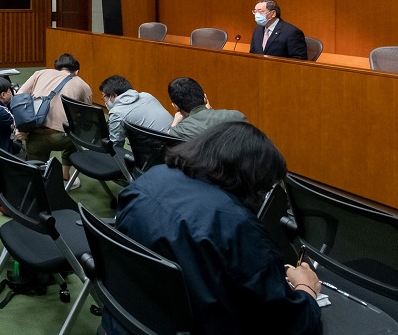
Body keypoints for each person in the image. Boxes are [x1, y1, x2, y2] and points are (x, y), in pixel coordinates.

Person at [113, 122, 321, 334]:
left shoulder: (149, 179)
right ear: (253, 181)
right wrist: (306, 288)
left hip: (126, 321)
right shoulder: (238, 228)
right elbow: (294, 325)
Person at [16, 53, 93, 186]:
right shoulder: (82, 85)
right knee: (76, 134)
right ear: (77, 71)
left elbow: (18, 98)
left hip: (33, 135)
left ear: (56, 68)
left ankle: (37, 185)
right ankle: (65, 176)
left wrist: (20, 127)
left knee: (36, 167)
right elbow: (88, 119)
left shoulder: (40, 73)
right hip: (61, 138)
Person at [98, 75, 172, 146]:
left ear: (112, 95)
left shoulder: (117, 112)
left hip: (160, 150)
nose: (104, 101)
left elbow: (115, 145)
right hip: (175, 139)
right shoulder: (147, 96)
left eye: (104, 97)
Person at [166, 76, 248, 140]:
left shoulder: (181, 130)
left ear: (175, 106)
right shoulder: (237, 116)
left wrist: (175, 123)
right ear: (205, 97)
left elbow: (166, 142)